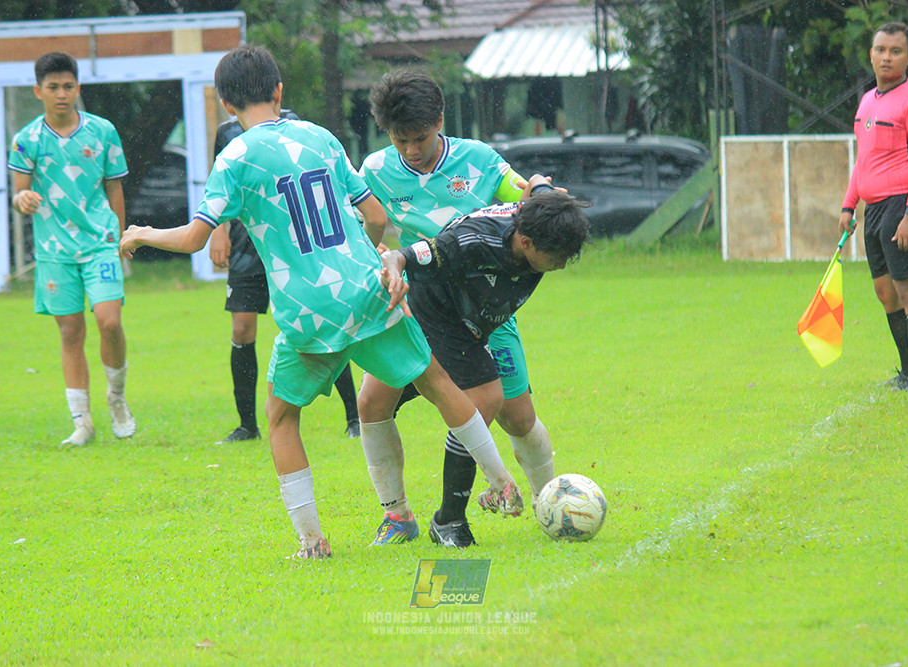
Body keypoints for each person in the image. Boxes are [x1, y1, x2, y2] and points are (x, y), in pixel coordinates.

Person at [119, 45, 522, 559]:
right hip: (366, 289)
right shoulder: (319, 136)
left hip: (306, 311)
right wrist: (377, 256)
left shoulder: (234, 159)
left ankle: (313, 542)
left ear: (225, 104)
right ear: (279, 91)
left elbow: (197, 239)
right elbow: (376, 217)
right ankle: (502, 482)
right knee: (438, 381)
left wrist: (143, 233)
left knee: (282, 417)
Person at [358, 71, 558, 546]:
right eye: (399, 139)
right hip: (419, 308)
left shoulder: (479, 160)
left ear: (440, 121)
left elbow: (526, 201)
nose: (410, 149)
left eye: (420, 138)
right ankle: (398, 516)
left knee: (517, 416)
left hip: (487, 312)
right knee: (370, 401)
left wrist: (542, 190)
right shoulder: (373, 171)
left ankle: (550, 503)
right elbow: (359, 228)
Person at [361, 183, 590, 547]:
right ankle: (438, 520)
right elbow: (408, 255)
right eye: (556, 257)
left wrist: (541, 183)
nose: (561, 265)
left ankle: (521, 501)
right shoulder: (469, 242)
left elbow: (538, 190)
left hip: (475, 324)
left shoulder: (534, 222)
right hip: (432, 316)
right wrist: (390, 263)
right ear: (527, 243)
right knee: (477, 399)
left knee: (512, 415)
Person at [208, 112, 361, 444]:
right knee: (241, 328)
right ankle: (247, 425)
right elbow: (220, 187)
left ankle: (354, 417)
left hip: (292, 246)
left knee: (321, 322)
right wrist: (219, 232)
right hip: (247, 243)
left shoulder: (296, 127)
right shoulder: (228, 134)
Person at [8, 51, 136, 447]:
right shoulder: (26, 139)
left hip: (99, 242)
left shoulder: (103, 132)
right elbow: (19, 193)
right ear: (38, 91)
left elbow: (115, 187)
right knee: (70, 332)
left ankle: (116, 397)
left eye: (68, 86)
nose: (61, 94)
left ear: (78, 88)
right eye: (53, 88)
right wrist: (23, 200)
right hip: (53, 250)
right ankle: (83, 422)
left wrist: (121, 236)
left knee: (109, 321)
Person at [839, 22, 908, 392]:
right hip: (874, 208)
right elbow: (863, 160)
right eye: (881, 50)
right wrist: (849, 206)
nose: (887, 57)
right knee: (885, 292)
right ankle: (907, 373)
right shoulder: (867, 101)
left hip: (904, 205)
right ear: (871, 54)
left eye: (896, 51)